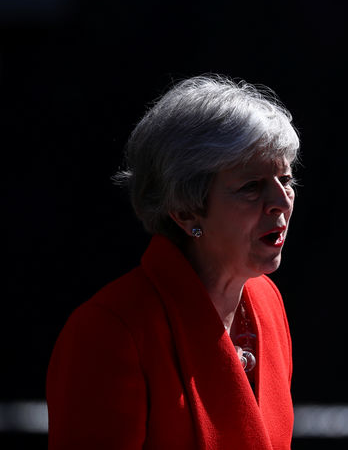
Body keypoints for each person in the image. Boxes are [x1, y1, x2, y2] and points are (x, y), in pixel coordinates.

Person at [46, 74, 300, 449]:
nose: (281, 201)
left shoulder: (267, 303)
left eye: (286, 179)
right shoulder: (109, 331)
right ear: (185, 211)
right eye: (251, 186)